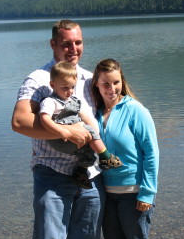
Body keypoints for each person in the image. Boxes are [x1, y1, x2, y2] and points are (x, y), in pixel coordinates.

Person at [11, 20, 105, 239]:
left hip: (89, 177)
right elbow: (20, 121)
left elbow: (115, 105)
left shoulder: (89, 79)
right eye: (66, 43)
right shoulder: (39, 80)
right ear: (53, 44)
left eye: (77, 42)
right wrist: (65, 131)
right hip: (53, 176)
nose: (73, 49)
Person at [91, 58, 159, 239]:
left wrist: (147, 192)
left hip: (134, 193)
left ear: (122, 81)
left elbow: (151, 153)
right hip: (106, 195)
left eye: (116, 82)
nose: (112, 88)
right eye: (105, 83)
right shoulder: (95, 114)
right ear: (97, 86)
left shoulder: (136, 110)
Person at [40, 61, 123, 189]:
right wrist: (60, 131)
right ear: (53, 85)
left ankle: (81, 172)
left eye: (72, 87)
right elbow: (44, 118)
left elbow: (84, 115)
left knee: (88, 146)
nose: (70, 91)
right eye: (65, 88)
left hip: (73, 137)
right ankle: (105, 157)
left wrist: (94, 133)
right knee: (88, 133)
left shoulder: (72, 100)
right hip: (60, 140)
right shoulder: (51, 102)